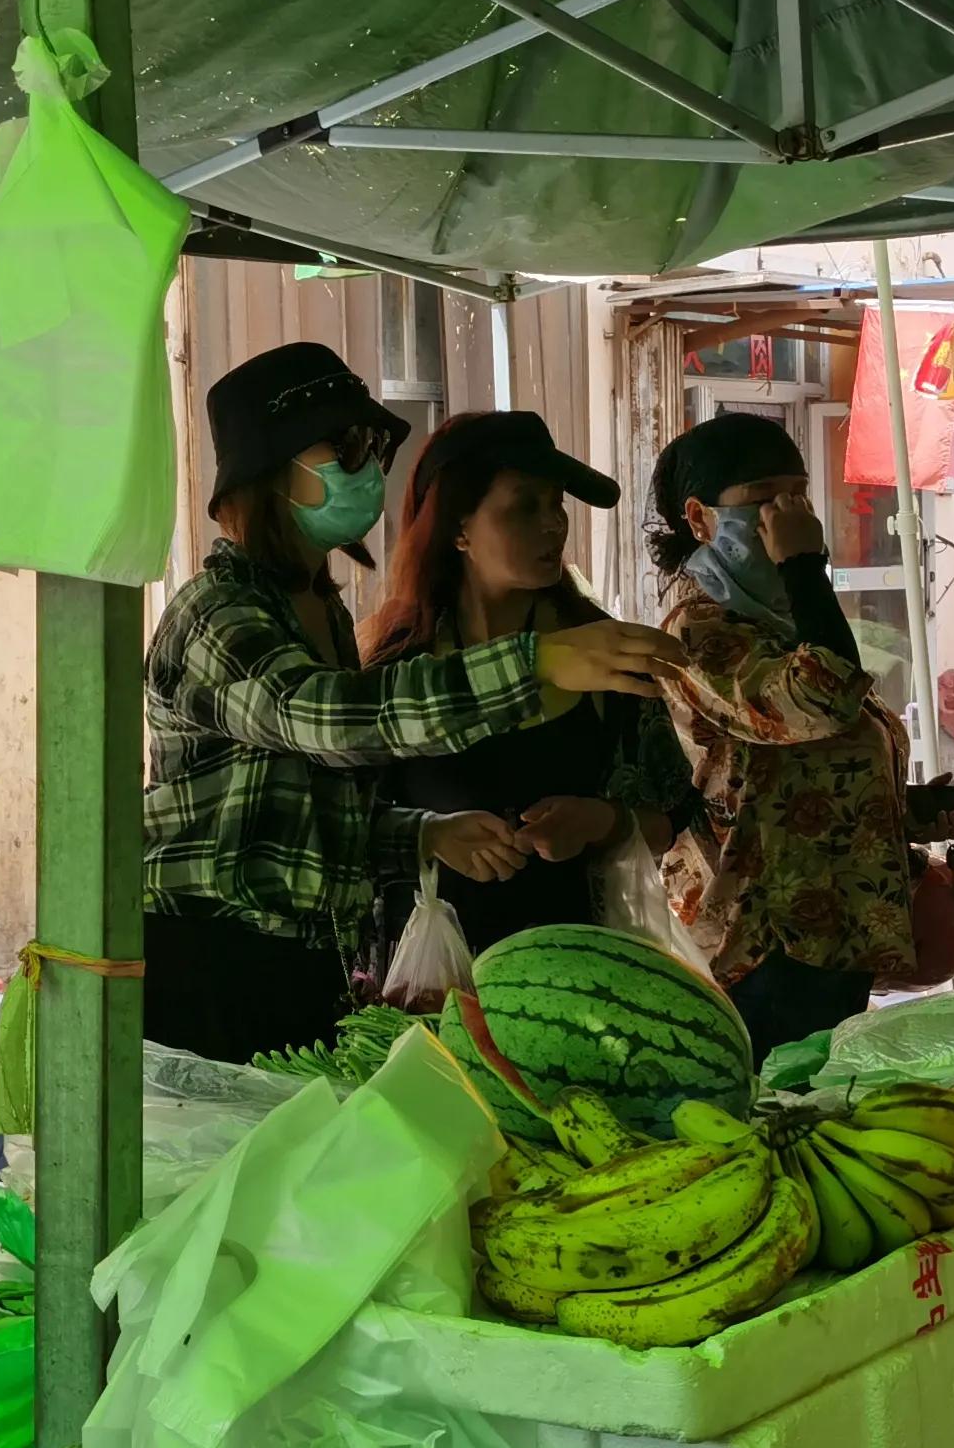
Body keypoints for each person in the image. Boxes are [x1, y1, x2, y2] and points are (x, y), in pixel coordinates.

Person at [142, 342, 680, 1060]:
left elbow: (301, 828)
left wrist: (424, 836)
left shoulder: (320, 610)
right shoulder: (218, 611)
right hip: (206, 960)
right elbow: (328, 719)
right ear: (271, 470)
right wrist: (537, 663)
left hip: (303, 967)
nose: (369, 468)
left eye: (374, 448)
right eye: (346, 448)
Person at [360, 409, 696, 950]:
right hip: (431, 972)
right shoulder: (396, 669)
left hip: (576, 968)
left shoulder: (602, 653)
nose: (554, 524)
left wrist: (601, 822)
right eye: (524, 507)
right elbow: (341, 826)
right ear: (458, 529)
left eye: (556, 503)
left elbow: (672, 815)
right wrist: (430, 834)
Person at [644, 413, 915, 1054]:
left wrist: (905, 808)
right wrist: (803, 563)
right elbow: (823, 696)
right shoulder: (700, 630)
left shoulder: (783, 623)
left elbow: (816, 757)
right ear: (699, 518)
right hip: (760, 939)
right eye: (766, 499)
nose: (789, 516)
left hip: (833, 929)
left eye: (799, 497)